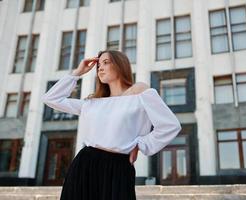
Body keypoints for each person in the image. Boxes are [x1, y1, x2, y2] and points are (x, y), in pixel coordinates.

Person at [42, 50, 182, 200]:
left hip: (118, 168)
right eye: (98, 65)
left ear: (120, 65)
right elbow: (51, 99)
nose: (100, 68)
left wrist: (141, 144)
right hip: (85, 166)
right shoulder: (91, 103)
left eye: (106, 62)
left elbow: (170, 125)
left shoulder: (140, 93)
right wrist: (77, 72)